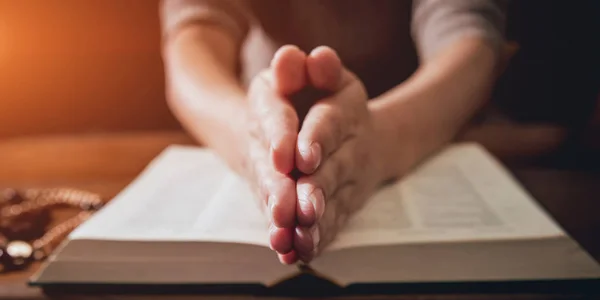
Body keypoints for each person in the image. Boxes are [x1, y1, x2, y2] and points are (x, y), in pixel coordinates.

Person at [159, 0, 508, 265]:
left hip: (430, 127)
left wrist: (385, 137)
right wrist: (250, 136)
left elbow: (469, 40)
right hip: (261, 113)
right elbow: (193, 38)